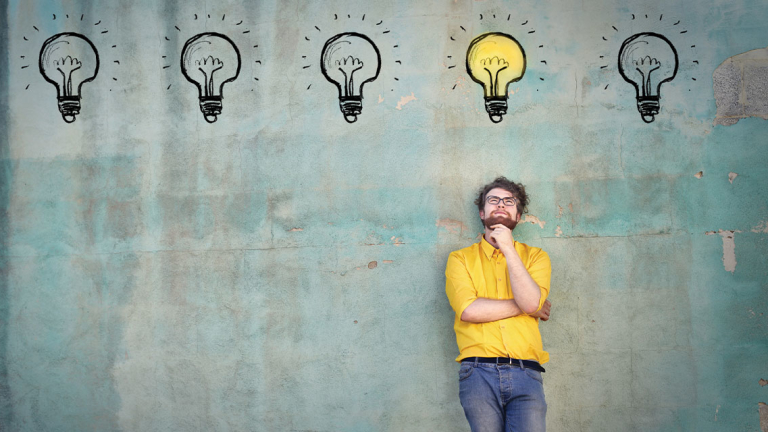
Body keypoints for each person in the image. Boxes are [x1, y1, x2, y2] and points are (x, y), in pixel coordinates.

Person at [445, 176, 552, 432]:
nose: (501, 204)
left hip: (526, 371)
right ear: (482, 212)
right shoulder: (459, 259)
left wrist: (508, 248)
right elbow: (469, 310)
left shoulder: (536, 257)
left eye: (509, 201)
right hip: (478, 371)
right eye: (493, 200)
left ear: (518, 216)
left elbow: (528, 301)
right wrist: (530, 306)